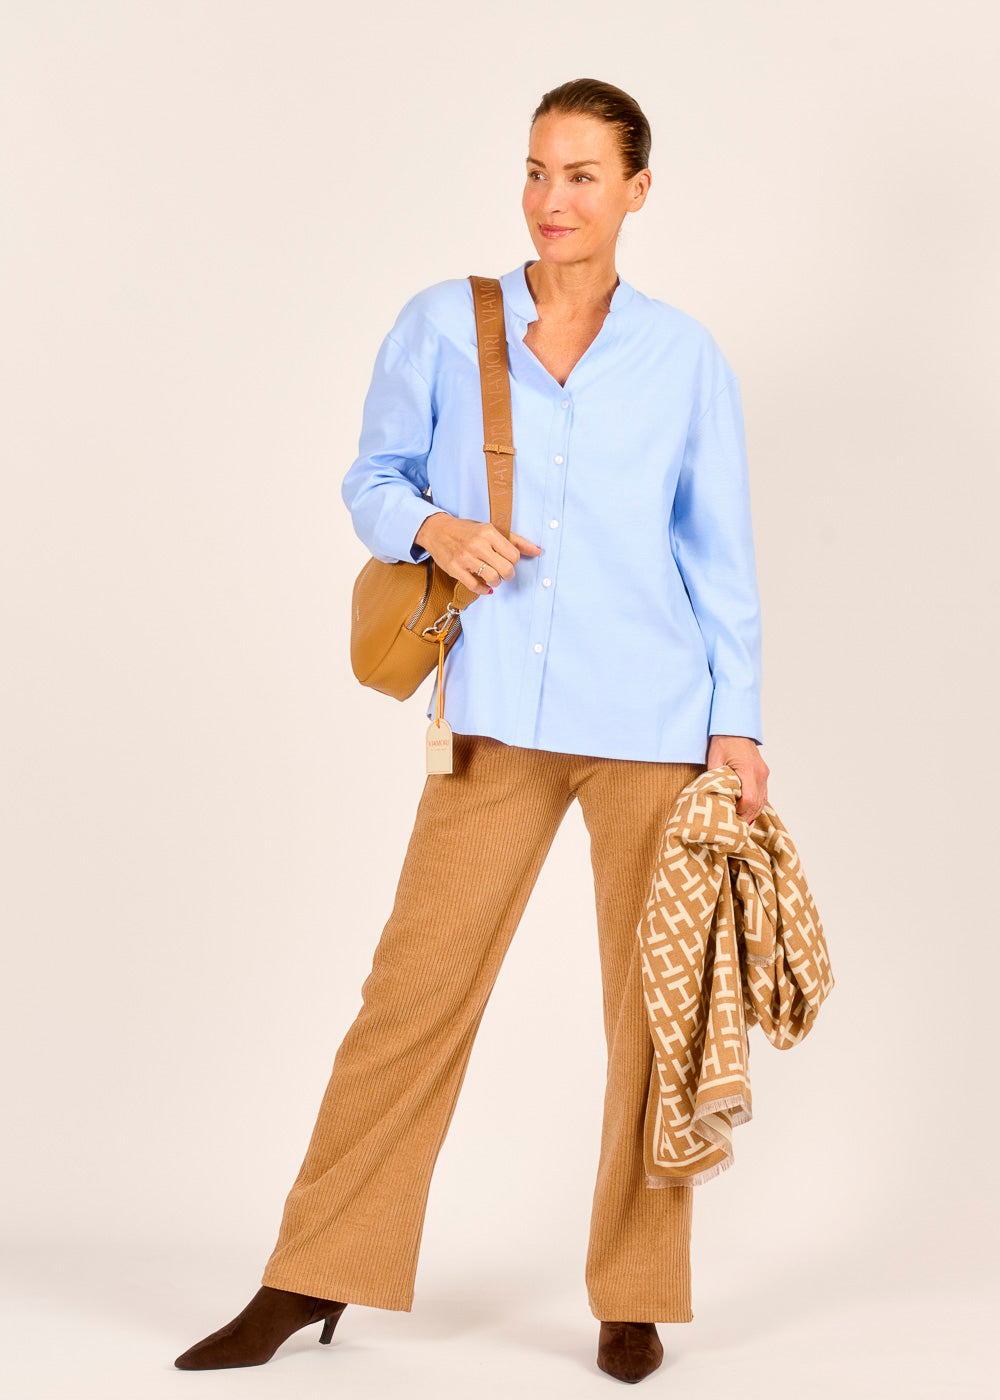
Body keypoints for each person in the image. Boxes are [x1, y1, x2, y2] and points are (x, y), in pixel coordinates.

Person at [174, 77, 769, 1385]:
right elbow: (371, 478)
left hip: (653, 719)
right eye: (537, 171)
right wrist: (435, 526)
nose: (553, 200)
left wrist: (739, 726)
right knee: (411, 997)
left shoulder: (683, 357)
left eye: (583, 176)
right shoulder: (447, 324)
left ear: (637, 191)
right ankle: (309, 1271)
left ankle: (635, 1294)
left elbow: (716, 553)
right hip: (493, 713)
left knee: (655, 1015)